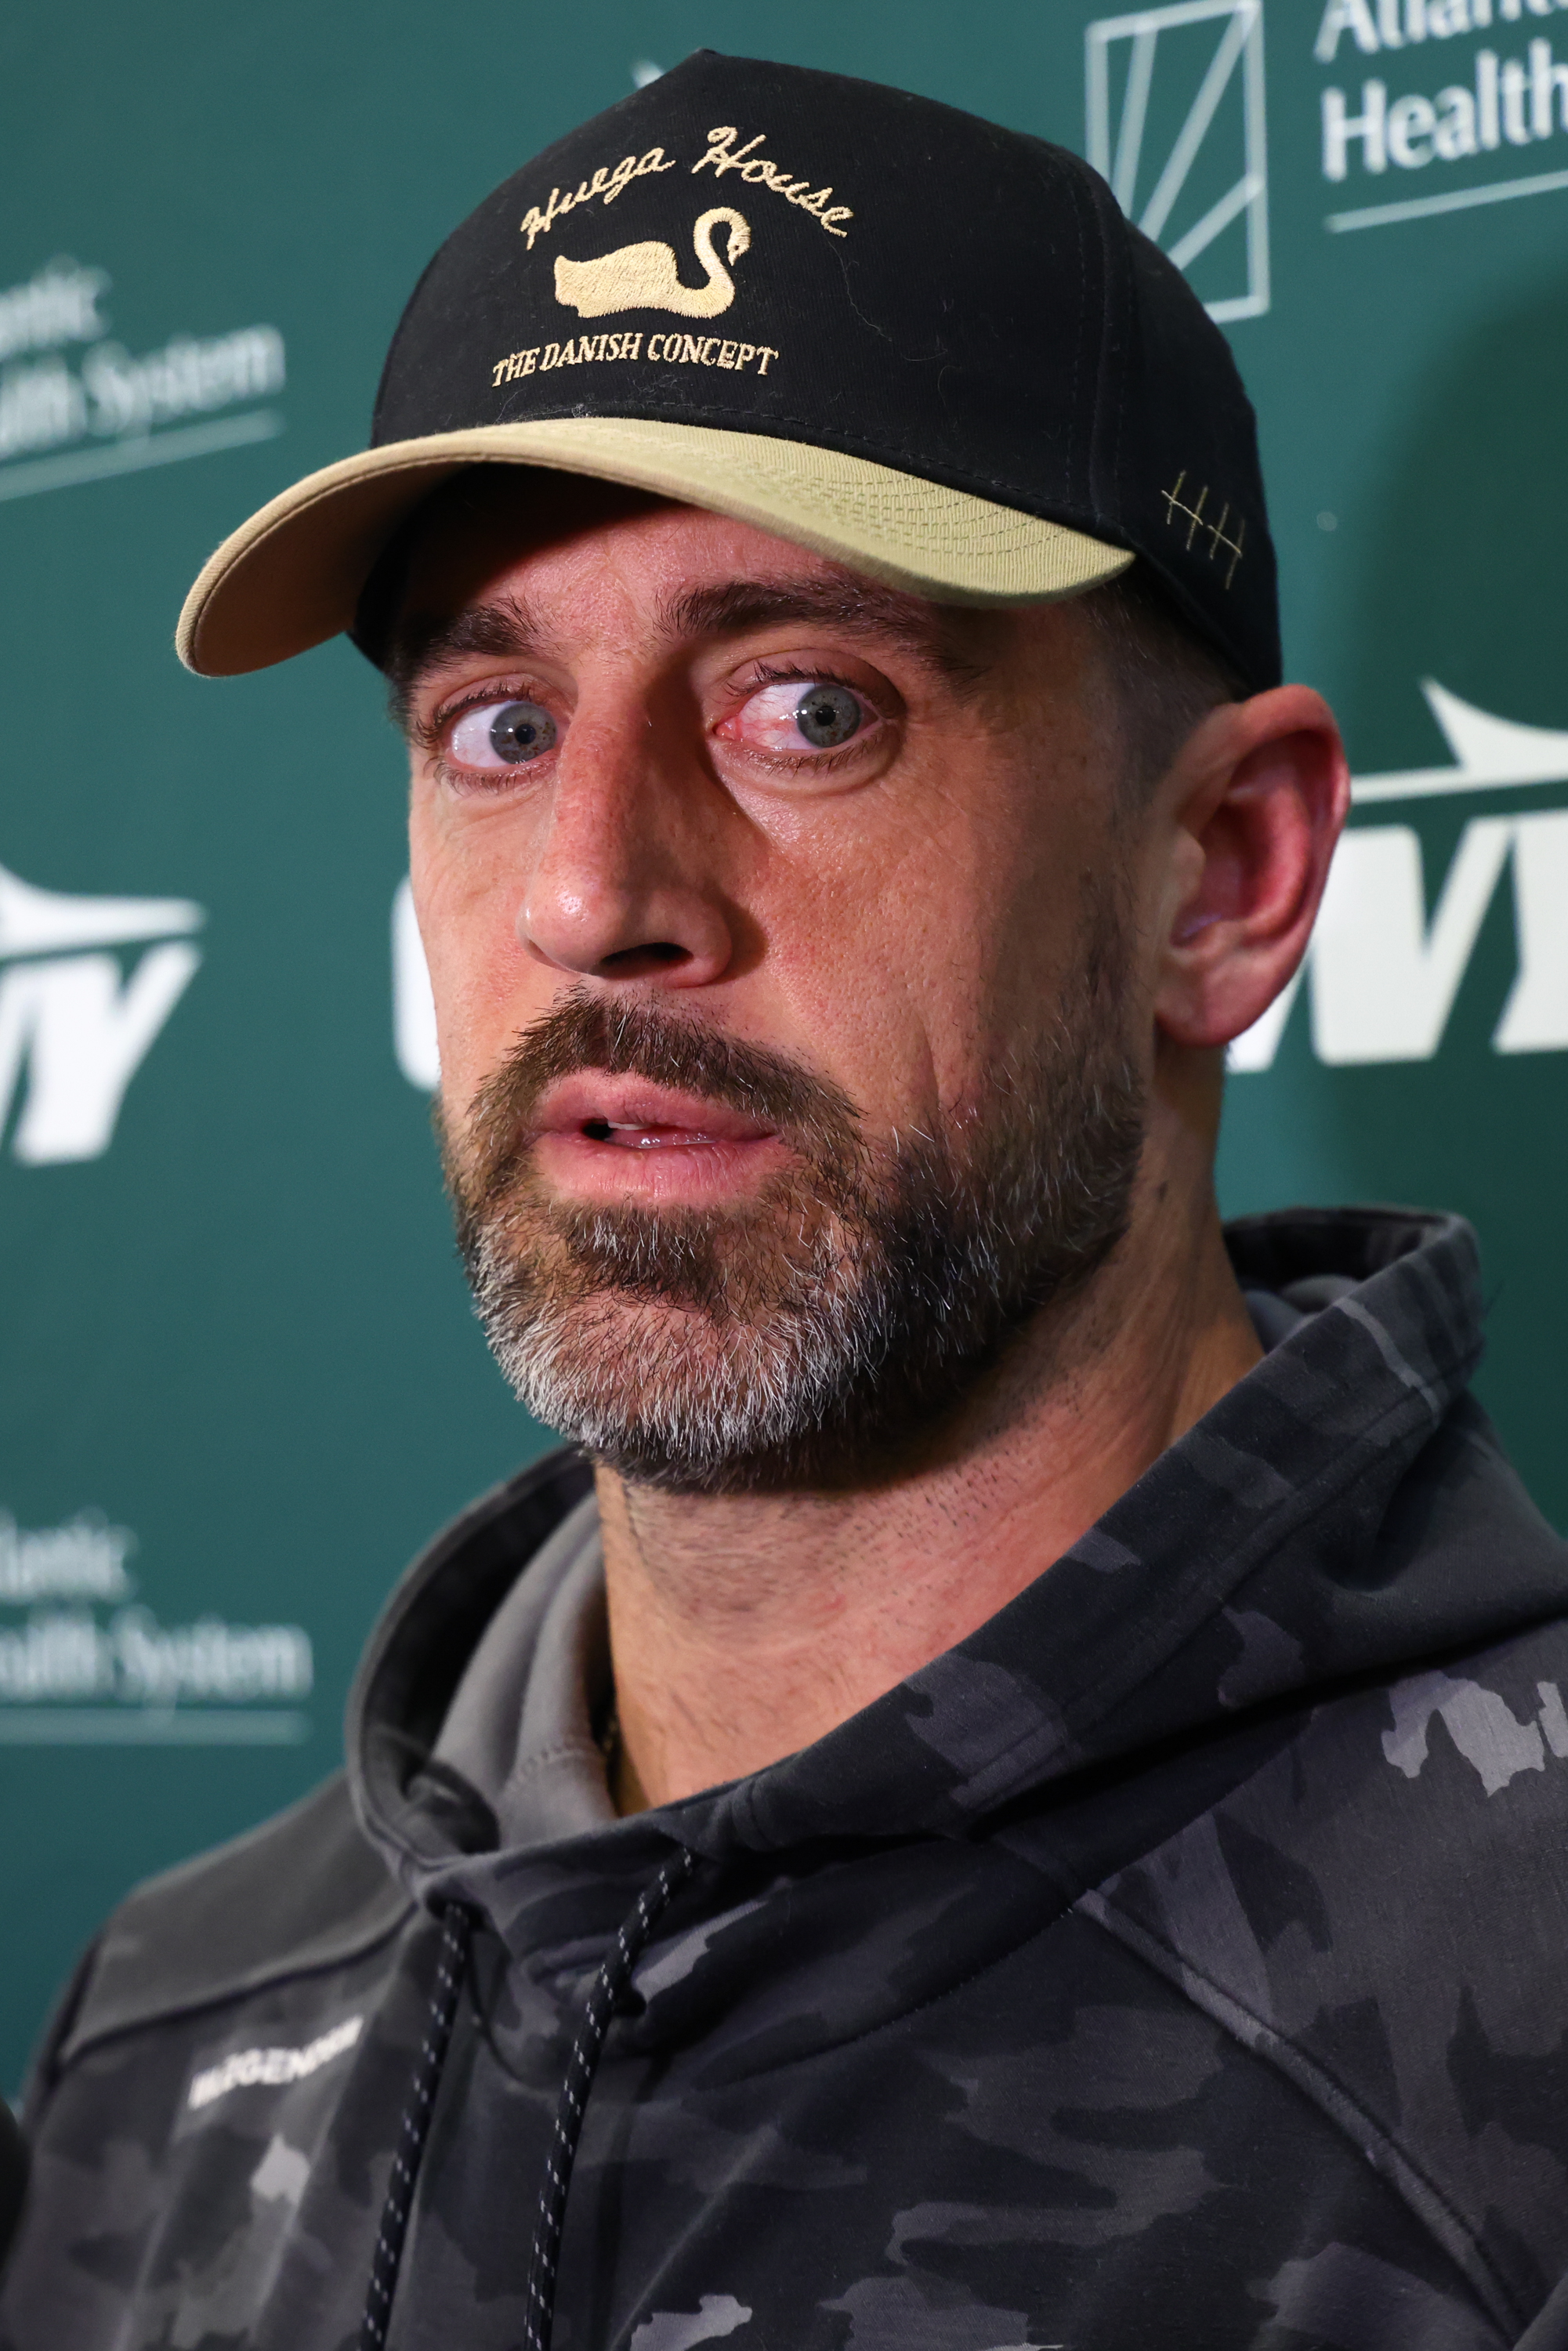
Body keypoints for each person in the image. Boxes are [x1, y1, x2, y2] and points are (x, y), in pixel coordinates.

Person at [7, 48, 1568, 2351]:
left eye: (804, 705)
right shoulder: (178, 2022)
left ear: (1221, 875)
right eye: (498, 728)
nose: (592, 893)